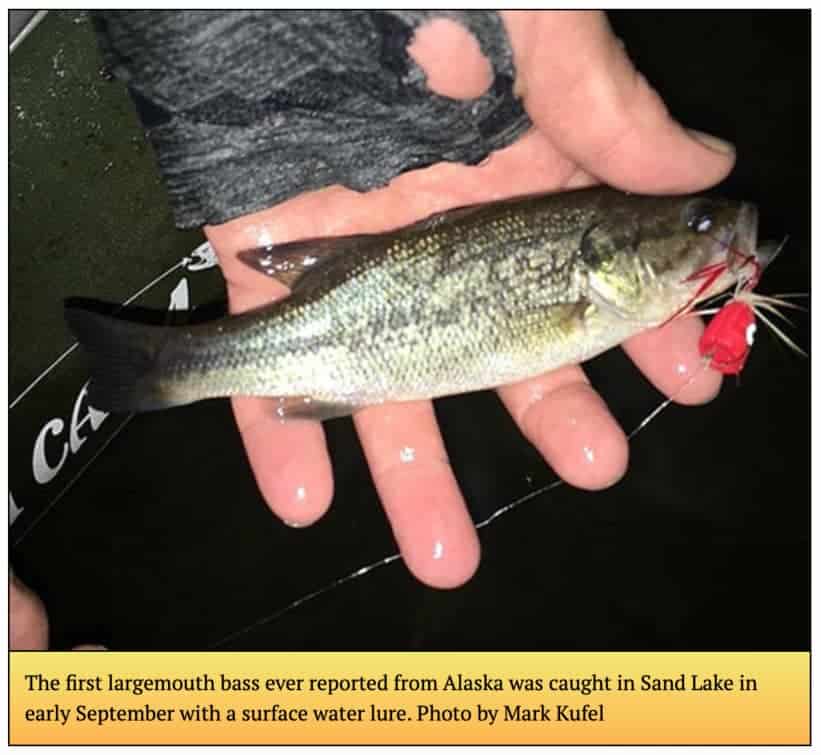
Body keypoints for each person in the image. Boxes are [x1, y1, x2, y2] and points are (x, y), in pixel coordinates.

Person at [11, 10, 734, 648]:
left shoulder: (609, 283)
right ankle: (164, 368)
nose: (716, 232)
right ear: (613, 255)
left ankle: (162, 367)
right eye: (695, 225)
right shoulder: (596, 287)